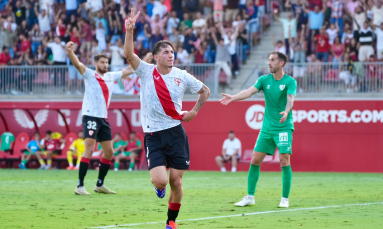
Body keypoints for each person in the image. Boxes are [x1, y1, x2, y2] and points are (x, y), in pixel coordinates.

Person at [123, 9, 210, 229]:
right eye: (166, 52)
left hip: (175, 132)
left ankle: (171, 222)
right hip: (153, 134)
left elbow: (205, 91)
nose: (171, 55)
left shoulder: (182, 75)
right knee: (161, 181)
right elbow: (128, 54)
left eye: (172, 52)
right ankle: (158, 188)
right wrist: (129, 31)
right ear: (155, 57)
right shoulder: (145, 71)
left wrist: (194, 111)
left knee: (177, 182)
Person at [220, 51, 296, 208]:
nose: (269, 63)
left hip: (283, 127)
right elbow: (249, 92)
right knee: (255, 160)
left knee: (284, 160)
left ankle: (284, 199)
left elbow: (290, 99)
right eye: (269, 60)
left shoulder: (290, 81)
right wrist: (233, 97)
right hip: (267, 128)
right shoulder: (264, 80)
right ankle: (249, 197)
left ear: (281, 63)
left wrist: (287, 111)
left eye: (273, 60)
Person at [66, 40, 134, 195]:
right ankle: (80, 186)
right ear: (96, 63)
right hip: (90, 116)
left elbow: (129, 70)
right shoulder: (90, 74)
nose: (105, 65)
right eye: (102, 62)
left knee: (109, 151)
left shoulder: (111, 76)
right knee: (89, 149)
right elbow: (78, 65)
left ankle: (99, 184)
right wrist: (70, 52)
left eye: (107, 62)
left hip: (103, 119)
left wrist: (146, 61)